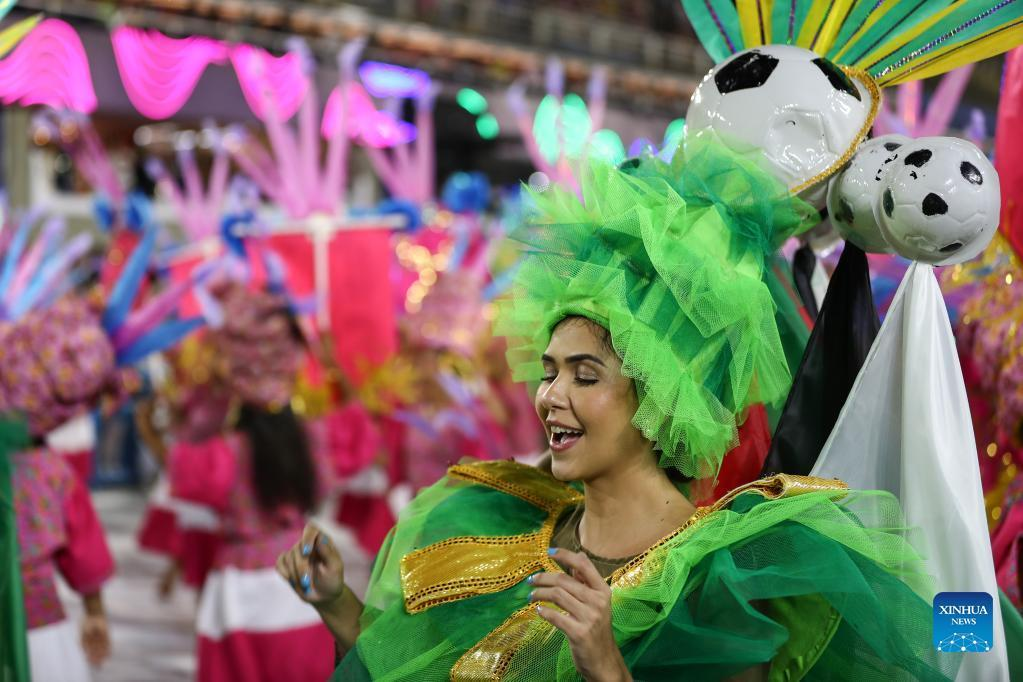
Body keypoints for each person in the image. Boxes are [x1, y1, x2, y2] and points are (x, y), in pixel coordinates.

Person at [278, 143, 956, 680]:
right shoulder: (502, 524)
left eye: (585, 375)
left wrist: (605, 664)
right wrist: (336, 603)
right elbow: (412, 667)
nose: (551, 396)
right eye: (549, 371)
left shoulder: (719, 580)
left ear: (657, 400)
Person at [169, 282, 378, 682]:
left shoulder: (224, 452)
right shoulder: (313, 440)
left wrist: (210, 388)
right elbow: (361, 433)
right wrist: (333, 366)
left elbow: (183, 462)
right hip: (303, 578)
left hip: (236, 592)